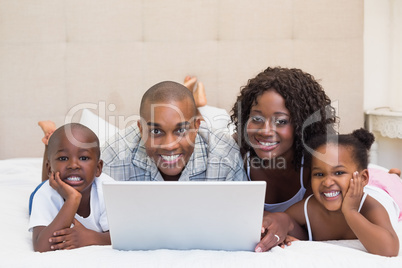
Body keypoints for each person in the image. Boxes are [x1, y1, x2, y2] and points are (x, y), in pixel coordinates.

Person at [276, 128, 400, 257]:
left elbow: (389, 250)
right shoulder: (308, 208)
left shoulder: (370, 206)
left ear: (363, 179)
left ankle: (393, 174)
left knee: (390, 181)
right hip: (353, 183)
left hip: (384, 191)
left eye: (339, 172)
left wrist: (351, 212)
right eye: (319, 174)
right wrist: (284, 234)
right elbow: (282, 224)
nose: (327, 182)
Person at [101, 81, 246, 181]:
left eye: (180, 130)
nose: (169, 145)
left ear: (196, 127)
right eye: (156, 131)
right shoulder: (112, 158)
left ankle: (199, 104)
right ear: (140, 129)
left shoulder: (226, 154)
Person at [29, 123, 113, 252]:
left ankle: (51, 144)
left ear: (98, 168)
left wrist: (92, 237)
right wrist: (72, 199)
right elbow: (41, 246)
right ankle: (49, 144)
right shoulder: (44, 194)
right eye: (63, 158)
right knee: (42, 188)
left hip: (63, 179)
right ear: (49, 168)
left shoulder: (108, 189)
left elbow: (124, 236)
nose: (73, 165)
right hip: (51, 186)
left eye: (84, 158)